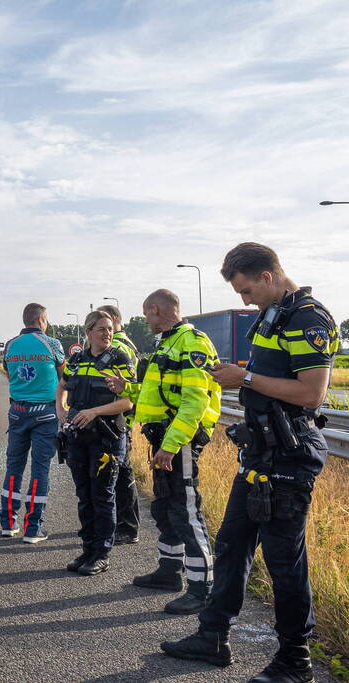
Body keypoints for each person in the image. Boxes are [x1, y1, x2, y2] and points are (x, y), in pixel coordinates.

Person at [162, 244, 339, 682]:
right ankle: (212, 635)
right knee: (232, 544)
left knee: (283, 561)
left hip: (288, 456)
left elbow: (311, 394)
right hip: (260, 453)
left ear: (267, 275)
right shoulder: (275, 313)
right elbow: (270, 375)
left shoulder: (307, 318)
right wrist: (240, 374)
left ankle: (295, 662)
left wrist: (246, 378)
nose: (243, 300)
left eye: (245, 290)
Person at [104, 289, 221, 615]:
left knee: (186, 511)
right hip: (164, 438)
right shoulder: (167, 342)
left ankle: (202, 588)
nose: (145, 320)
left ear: (155, 309)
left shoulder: (192, 342)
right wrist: (126, 389)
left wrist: (171, 446)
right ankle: (169, 572)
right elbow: (159, 392)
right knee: (166, 508)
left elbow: (194, 401)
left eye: (146, 314)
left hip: (178, 441)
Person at [56, 310, 134, 575]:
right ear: (88, 332)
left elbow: (128, 401)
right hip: (78, 438)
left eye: (110, 329)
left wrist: (95, 411)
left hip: (107, 438)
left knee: (102, 496)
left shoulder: (120, 359)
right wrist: (61, 409)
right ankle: (87, 549)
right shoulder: (76, 359)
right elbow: (63, 385)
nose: (107, 334)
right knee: (84, 495)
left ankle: (102, 553)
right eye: (101, 329)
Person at [0, 303, 66, 542]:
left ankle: (8, 522)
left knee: (13, 467)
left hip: (17, 411)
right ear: (40, 320)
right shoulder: (52, 344)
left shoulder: (11, 345)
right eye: (46, 319)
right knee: (40, 469)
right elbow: (64, 377)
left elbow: (8, 372)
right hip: (45, 414)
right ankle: (33, 526)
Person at [97, 304, 141, 544]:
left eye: (106, 323)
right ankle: (121, 523)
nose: (105, 333)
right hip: (122, 417)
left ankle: (127, 526)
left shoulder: (118, 347)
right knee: (119, 471)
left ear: (114, 320)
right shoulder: (129, 343)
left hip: (119, 418)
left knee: (121, 472)